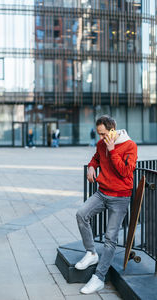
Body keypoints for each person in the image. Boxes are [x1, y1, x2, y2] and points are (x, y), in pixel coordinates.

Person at [75, 115, 137, 294]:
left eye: (103, 134)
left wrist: (112, 150)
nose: (101, 139)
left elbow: (126, 172)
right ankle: (91, 253)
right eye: (99, 135)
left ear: (112, 130)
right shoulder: (101, 144)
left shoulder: (130, 146)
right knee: (81, 214)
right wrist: (92, 166)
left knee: (110, 239)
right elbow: (96, 157)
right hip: (102, 193)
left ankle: (99, 278)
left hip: (120, 197)